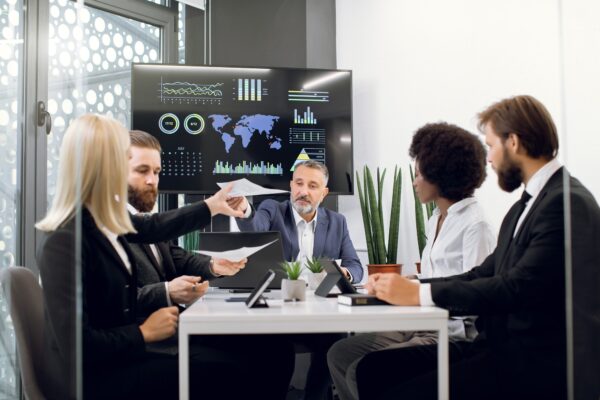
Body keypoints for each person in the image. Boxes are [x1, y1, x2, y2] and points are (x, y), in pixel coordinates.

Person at [357, 95, 600, 399]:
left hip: (532, 363)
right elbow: (480, 274)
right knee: (372, 370)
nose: (488, 159)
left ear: (513, 142)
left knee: (396, 389)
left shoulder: (566, 202)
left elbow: (514, 288)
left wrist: (419, 293)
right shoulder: (525, 207)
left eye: (490, 146)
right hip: (500, 350)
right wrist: (409, 286)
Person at [35, 115, 293, 400]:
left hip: (123, 356)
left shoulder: (105, 225)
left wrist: (212, 206)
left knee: (267, 352)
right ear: (99, 166)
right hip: (99, 377)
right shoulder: (64, 240)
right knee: (232, 373)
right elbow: (78, 347)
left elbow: (156, 226)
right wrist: (144, 332)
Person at [327, 122, 496, 400]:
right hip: (419, 323)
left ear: (440, 174)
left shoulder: (475, 225)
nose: (414, 181)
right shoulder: (436, 219)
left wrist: (415, 293)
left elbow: (475, 294)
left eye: (419, 174)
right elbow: (436, 275)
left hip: (450, 332)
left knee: (363, 368)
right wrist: (402, 283)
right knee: (340, 353)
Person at [230, 160, 363, 399]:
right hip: (278, 312)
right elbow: (255, 227)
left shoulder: (337, 222)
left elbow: (355, 265)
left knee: (335, 339)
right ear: (291, 186)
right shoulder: (272, 209)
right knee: (275, 349)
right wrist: (245, 210)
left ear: (324, 193)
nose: (303, 191)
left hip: (319, 312)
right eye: (299, 183)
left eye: (312, 186)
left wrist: (346, 274)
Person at [127, 130, 247, 316]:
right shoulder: (107, 225)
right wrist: (167, 292)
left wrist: (214, 265)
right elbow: (109, 302)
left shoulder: (149, 223)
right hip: (146, 338)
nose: (152, 180)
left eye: (157, 172)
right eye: (142, 171)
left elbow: (180, 259)